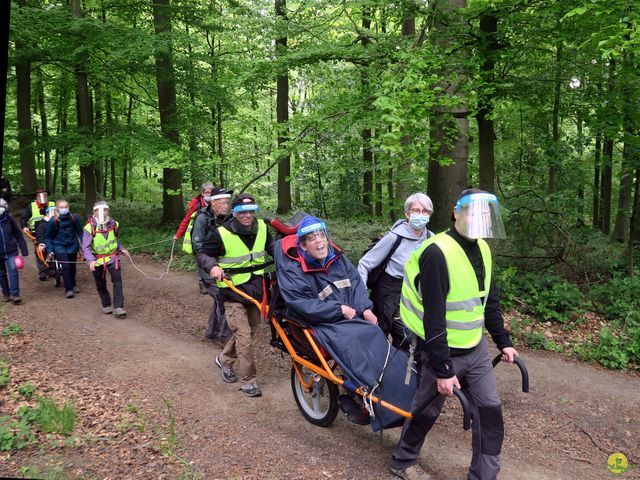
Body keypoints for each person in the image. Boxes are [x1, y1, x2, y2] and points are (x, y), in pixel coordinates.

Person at [389, 189, 519, 480]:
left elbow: (490, 302)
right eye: (472, 212)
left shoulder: (483, 249)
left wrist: (504, 342)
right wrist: (444, 369)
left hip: (475, 348)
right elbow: (434, 319)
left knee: (489, 411)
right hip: (441, 351)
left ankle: (484, 475)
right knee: (426, 411)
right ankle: (402, 461)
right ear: (455, 212)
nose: (477, 219)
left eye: (483, 214)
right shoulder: (437, 253)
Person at [197, 193, 274, 398]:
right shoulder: (220, 233)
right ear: (234, 212)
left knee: (249, 331)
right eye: (242, 212)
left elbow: (274, 250)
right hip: (232, 292)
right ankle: (249, 381)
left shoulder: (263, 229)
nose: (247, 215)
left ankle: (224, 359)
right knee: (244, 336)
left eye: (251, 211)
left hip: (256, 291)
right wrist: (212, 266)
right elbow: (203, 254)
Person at [358, 193, 434, 348]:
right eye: (416, 210)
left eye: (425, 211)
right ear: (407, 213)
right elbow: (364, 264)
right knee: (379, 335)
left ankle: (403, 370)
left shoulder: (431, 239)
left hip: (413, 293)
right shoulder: (394, 237)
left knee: (409, 341)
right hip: (387, 291)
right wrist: (361, 296)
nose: (420, 214)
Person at [276, 215, 377, 326]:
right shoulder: (294, 271)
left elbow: (356, 283)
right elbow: (301, 303)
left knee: (376, 335)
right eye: (312, 238)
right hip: (326, 324)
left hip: (353, 318)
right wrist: (339, 310)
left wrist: (365, 309)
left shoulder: (339, 259)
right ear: (304, 246)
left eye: (322, 235)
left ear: (327, 240)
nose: (319, 241)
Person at [192, 187, 233, 344]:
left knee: (219, 299)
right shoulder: (202, 219)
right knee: (224, 298)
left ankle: (212, 332)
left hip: (222, 268)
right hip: (208, 270)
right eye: (222, 203)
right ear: (213, 202)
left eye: (227, 203)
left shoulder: (226, 218)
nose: (225, 206)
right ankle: (224, 337)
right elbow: (198, 247)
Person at [82, 201, 129, 317]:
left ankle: (119, 307)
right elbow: (85, 247)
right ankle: (106, 304)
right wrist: (91, 260)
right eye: (99, 210)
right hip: (97, 260)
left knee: (117, 281)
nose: (102, 213)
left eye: (105, 210)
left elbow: (115, 239)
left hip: (113, 257)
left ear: (108, 211)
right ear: (94, 212)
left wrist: (121, 248)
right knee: (100, 283)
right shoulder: (89, 228)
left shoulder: (114, 224)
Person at [175, 182, 214, 294]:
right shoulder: (196, 205)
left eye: (211, 192)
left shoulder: (217, 202)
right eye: (207, 192)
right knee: (201, 257)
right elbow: (186, 220)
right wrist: (178, 235)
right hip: (198, 234)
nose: (209, 194)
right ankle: (202, 283)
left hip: (212, 234)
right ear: (202, 193)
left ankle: (212, 280)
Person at [44, 199, 83, 299]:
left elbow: (80, 232)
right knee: (65, 266)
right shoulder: (53, 221)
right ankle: (68, 289)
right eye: (61, 207)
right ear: (57, 208)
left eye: (66, 207)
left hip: (72, 245)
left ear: (69, 207)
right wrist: (50, 250)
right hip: (59, 246)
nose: (64, 209)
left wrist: (84, 244)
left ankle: (73, 285)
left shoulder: (74, 218)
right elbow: (48, 237)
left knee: (72, 267)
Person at [20, 188, 55, 280]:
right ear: (36, 197)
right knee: (40, 251)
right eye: (40, 195)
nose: (43, 197)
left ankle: (53, 269)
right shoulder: (31, 206)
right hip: (36, 233)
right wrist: (24, 227)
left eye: (44, 195)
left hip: (52, 230)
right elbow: (23, 218)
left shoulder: (53, 204)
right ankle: (43, 272)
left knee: (53, 248)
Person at [0, 198, 29, 304]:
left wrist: (24, 249)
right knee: (1, 274)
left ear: (5, 208)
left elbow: (18, 234)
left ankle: (15, 294)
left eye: (1, 207)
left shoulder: (9, 219)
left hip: (11, 251)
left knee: (13, 272)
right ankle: (6, 294)